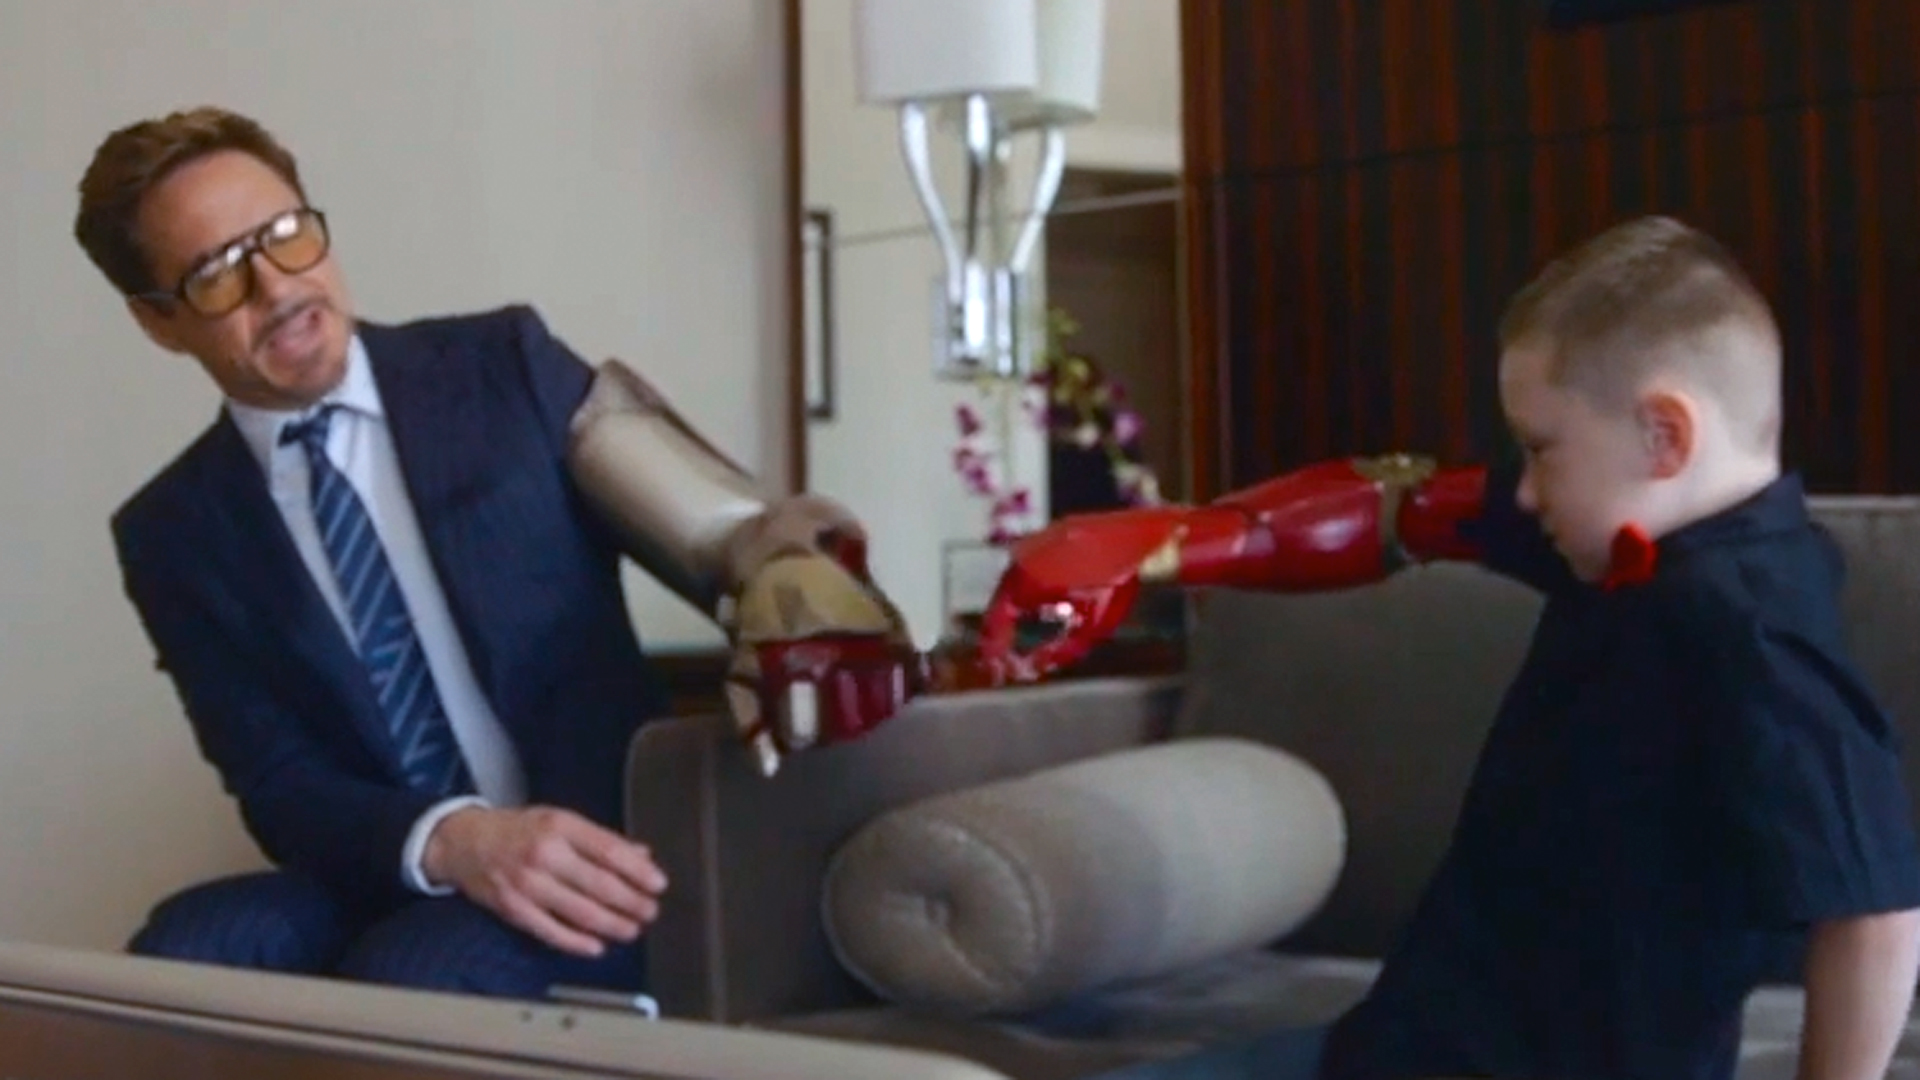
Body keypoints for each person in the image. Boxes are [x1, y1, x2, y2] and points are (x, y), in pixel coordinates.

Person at [972, 215, 1920, 1080]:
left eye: (1541, 448)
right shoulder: (1626, 543)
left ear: (1664, 435)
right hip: (1403, 1046)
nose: (1524, 489)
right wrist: (1154, 549)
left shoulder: (1753, 629)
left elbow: (1876, 913)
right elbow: (1412, 512)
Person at [74, 106, 910, 1000]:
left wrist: (800, 586)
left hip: (601, 858)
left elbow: (731, 528)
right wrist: (455, 841)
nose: (276, 287)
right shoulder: (173, 530)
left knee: (419, 972)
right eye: (215, 272)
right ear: (158, 321)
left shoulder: (503, 367)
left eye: (285, 234)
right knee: (186, 952)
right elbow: (277, 782)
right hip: (398, 863)